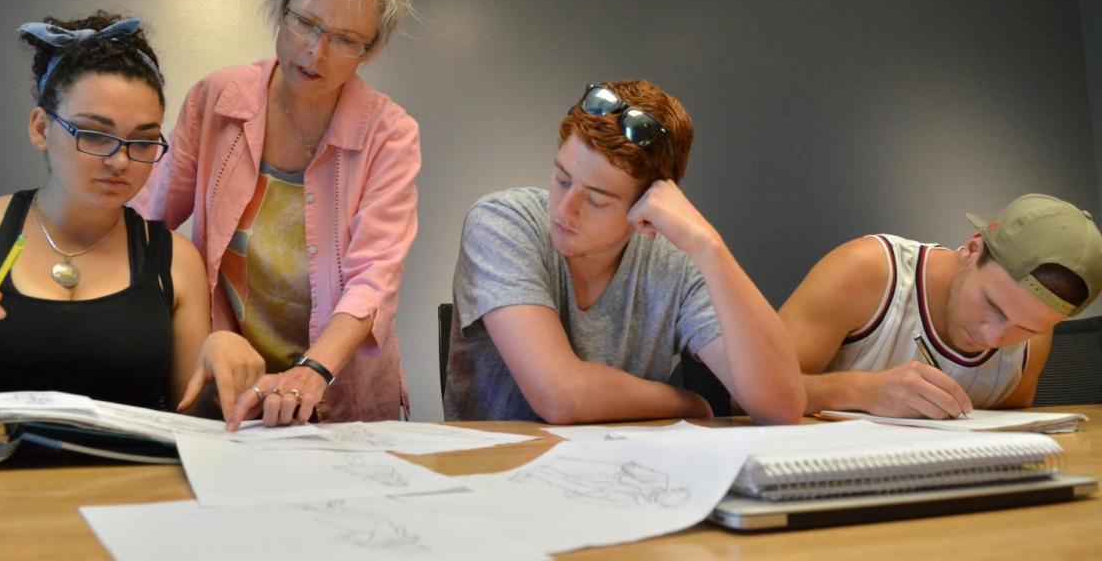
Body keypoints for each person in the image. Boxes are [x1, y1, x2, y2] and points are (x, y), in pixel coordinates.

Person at [0, 12, 263, 416]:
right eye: (94, 134)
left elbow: (191, 418)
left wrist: (222, 363)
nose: (120, 161)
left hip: (125, 460)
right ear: (41, 129)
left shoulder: (174, 260)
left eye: (143, 141)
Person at [135, 0, 421, 429]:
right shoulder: (218, 99)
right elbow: (146, 223)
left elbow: (374, 277)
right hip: (228, 384)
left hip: (338, 391)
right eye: (305, 23)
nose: (315, 51)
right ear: (283, 6)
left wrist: (313, 370)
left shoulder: (389, 134)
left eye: (345, 39)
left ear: (371, 49)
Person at [442, 81, 805, 424]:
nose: (565, 210)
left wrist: (709, 247)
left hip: (621, 464)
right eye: (563, 179)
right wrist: (689, 403)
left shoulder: (675, 263)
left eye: (597, 200)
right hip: (496, 464)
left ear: (648, 206)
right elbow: (560, 396)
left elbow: (782, 406)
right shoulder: (502, 221)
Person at [778, 194, 1102, 419]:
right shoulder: (867, 271)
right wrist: (861, 391)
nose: (994, 337)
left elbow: (1005, 422)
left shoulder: (1036, 343)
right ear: (973, 250)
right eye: (994, 305)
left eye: (1027, 328)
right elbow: (754, 391)